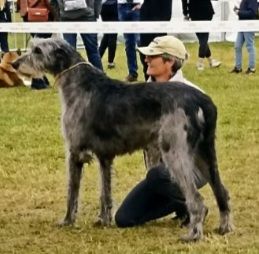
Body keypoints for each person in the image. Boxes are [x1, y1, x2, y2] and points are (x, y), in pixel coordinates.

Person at [115, 35, 207, 228]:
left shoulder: (191, 95)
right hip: (160, 174)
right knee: (124, 219)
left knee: (158, 176)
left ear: (170, 61)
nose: (146, 59)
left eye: (152, 56)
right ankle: (180, 204)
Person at [55, 0, 103, 71]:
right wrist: (95, 13)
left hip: (67, 18)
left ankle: (71, 80)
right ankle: (101, 79)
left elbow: (52, 2)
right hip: (87, 16)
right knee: (93, 51)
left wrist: (58, 15)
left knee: (69, 53)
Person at [17, 0, 54, 89]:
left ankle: (41, 79)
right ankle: (37, 82)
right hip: (44, 17)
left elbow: (19, 3)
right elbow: (50, 3)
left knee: (38, 50)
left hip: (29, 16)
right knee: (40, 52)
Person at [181, 0, 221, 71]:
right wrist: (185, 12)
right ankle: (203, 62)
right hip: (201, 11)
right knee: (203, 39)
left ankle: (208, 61)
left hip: (198, 12)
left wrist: (185, 12)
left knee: (203, 39)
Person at [139, 0, 172, 80]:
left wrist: (159, 31)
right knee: (145, 57)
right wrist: (142, 6)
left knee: (158, 59)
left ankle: (159, 83)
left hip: (159, 28)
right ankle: (148, 81)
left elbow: (167, 14)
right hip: (146, 26)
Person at [117, 0, 143, 82]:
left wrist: (143, 3)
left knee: (140, 41)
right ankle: (132, 73)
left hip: (137, 4)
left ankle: (149, 72)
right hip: (122, 6)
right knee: (129, 43)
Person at [230, 0, 257, 74]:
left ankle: (252, 68)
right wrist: (238, 10)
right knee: (237, 46)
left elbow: (252, 13)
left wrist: (239, 12)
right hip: (242, 25)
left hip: (249, 25)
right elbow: (246, 11)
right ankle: (238, 68)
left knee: (249, 46)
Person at [99, 0, 118, 69]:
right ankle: (110, 62)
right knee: (112, 35)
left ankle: (98, 57)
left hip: (103, 6)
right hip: (114, 5)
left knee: (107, 34)